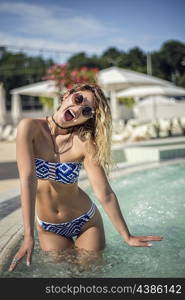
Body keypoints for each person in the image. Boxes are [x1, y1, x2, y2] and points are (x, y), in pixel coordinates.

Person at [9, 83, 163, 272]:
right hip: (49, 226)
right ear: (67, 96)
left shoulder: (84, 143)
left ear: (88, 119)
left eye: (87, 110)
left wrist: (127, 236)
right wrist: (28, 235)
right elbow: (27, 180)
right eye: (78, 99)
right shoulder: (29, 127)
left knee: (90, 278)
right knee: (63, 278)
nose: (78, 109)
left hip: (86, 222)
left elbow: (104, 193)